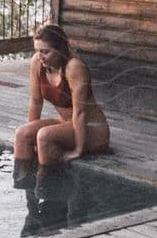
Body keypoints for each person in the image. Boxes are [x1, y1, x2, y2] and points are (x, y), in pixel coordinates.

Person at [14, 23, 111, 166]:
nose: (40, 56)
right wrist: (31, 135)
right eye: (37, 51)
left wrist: (78, 150)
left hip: (92, 129)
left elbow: (80, 112)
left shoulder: (74, 67)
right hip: (67, 124)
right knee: (22, 133)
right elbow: (35, 102)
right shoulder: (37, 62)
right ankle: (24, 184)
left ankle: (45, 186)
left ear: (60, 49)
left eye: (45, 52)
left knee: (44, 136)